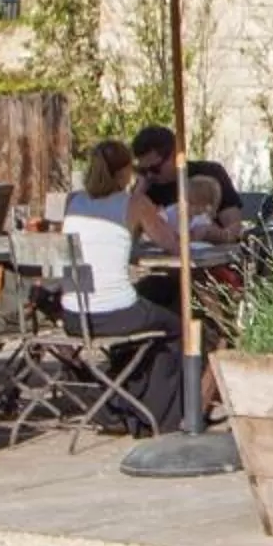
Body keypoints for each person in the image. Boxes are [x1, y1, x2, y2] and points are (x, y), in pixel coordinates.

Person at [63, 138, 200, 432]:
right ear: (126, 172)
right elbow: (172, 244)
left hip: (75, 314)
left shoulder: (73, 202)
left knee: (153, 296)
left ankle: (126, 396)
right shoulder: (135, 204)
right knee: (178, 325)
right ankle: (164, 413)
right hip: (116, 312)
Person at [130, 125, 242, 230]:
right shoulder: (145, 187)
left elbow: (233, 227)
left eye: (155, 168)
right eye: (143, 171)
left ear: (175, 156)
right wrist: (138, 192)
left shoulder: (209, 173)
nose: (149, 175)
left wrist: (209, 234)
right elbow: (127, 231)